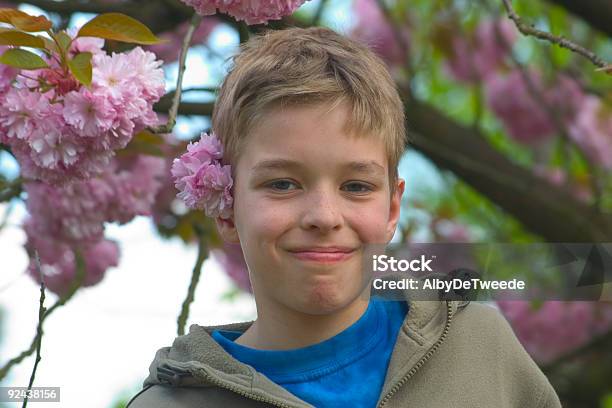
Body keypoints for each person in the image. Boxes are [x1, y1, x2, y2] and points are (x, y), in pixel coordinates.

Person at [127, 27, 561, 408]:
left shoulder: (479, 347)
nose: (324, 216)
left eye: (356, 186)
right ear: (226, 206)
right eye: (282, 184)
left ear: (392, 208)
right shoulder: (170, 403)